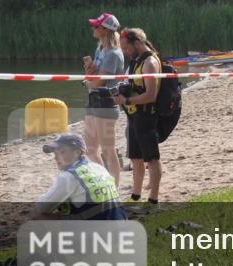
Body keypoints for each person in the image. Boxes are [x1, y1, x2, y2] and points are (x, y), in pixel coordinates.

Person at [112, 28, 163, 204]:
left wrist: (126, 100)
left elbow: (151, 95)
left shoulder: (150, 62)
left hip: (146, 116)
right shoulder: (136, 62)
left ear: (137, 43)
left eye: (126, 48)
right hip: (134, 116)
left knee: (152, 158)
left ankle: (153, 200)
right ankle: (135, 196)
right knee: (135, 158)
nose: (125, 52)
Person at [33, 133, 126, 221]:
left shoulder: (68, 176)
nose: (56, 158)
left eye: (62, 152)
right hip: (121, 222)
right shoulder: (99, 168)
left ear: (77, 152)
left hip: (100, 229)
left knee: (37, 214)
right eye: (55, 153)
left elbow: (42, 207)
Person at [83, 12, 124, 185]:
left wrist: (87, 83)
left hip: (106, 102)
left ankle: (114, 188)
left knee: (108, 150)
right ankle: (104, 182)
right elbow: (93, 77)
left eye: (96, 26)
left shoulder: (113, 54)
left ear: (105, 30)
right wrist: (89, 70)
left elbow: (100, 82)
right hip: (93, 100)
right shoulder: (100, 49)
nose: (93, 28)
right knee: (90, 148)